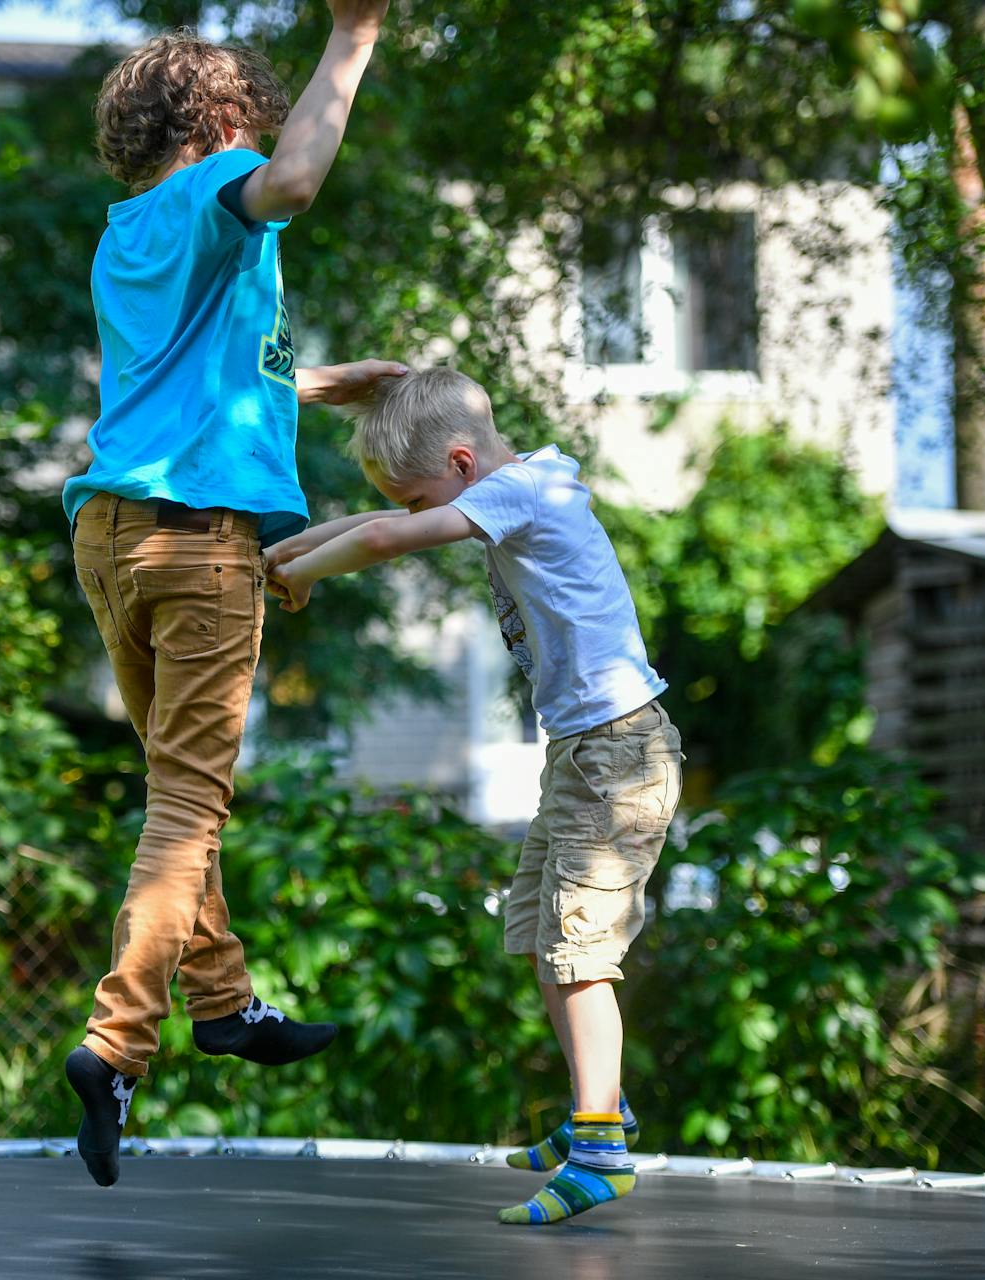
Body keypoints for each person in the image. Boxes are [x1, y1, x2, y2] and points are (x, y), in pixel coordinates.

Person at [60, 1, 401, 1190]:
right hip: (198, 545)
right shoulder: (226, 190)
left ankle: (226, 1000)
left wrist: (317, 384)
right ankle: (116, 1042)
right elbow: (297, 181)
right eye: (252, 118)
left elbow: (186, 378)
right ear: (219, 121)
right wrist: (352, 38)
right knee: (189, 807)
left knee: (177, 789)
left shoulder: (125, 231)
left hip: (111, 532)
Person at [264, 367, 683, 1225]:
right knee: (537, 933)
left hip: (620, 755)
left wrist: (308, 579)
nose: (421, 520)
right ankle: (595, 1110)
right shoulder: (508, 487)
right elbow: (380, 523)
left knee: (579, 950)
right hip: (582, 756)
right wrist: (287, 551)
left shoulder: (529, 490)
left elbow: (383, 541)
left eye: (424, 501)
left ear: (460, 464)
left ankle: (603, 1148)